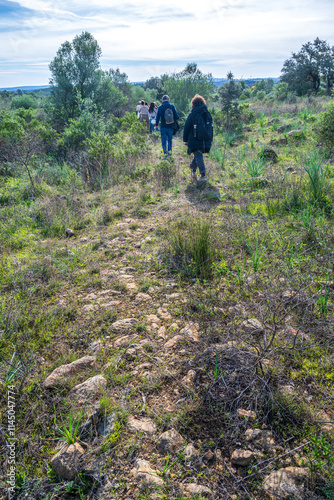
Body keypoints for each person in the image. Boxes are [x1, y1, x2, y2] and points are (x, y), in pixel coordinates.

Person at [183, 94, 213, 182]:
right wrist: (210, 138)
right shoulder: (207, 113)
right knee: (198, 154)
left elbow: (186, 127)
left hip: (194, 139)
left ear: (193, 104)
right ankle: (193, 168)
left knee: (198, 154)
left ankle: (203, 175)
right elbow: (211, 127)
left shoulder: (192, 114)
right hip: (206, 139)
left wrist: (185, 139)